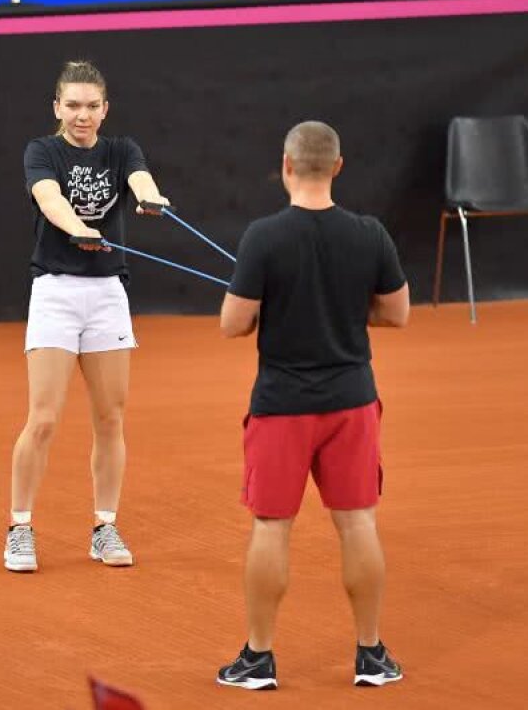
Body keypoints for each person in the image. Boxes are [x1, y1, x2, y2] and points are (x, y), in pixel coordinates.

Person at [215, 121, 409, 689]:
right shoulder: (370, 234)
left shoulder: (263, 237)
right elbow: (396, 313)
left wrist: (271, 309)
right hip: (352, 403)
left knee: (271, 527)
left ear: (286, 165)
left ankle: (258, 658)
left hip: (282, 406)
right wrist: (346, 312)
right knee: (358, 523)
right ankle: (371, 654)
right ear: (338, 167)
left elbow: (232, 324)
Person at [4, 60, 170, 573]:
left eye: (92, 106)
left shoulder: (121, 150)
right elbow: (48, 197)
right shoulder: (42, 151)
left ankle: (104, 527)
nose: (82, 115)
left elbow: (140, 178)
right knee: (44, 418)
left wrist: (149, 198)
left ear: (105, 109)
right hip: (55, 291)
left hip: (106, 295)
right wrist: (78, 226)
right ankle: (19, 528)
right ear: (57, 107)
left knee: (110, 418)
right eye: (73, 105)